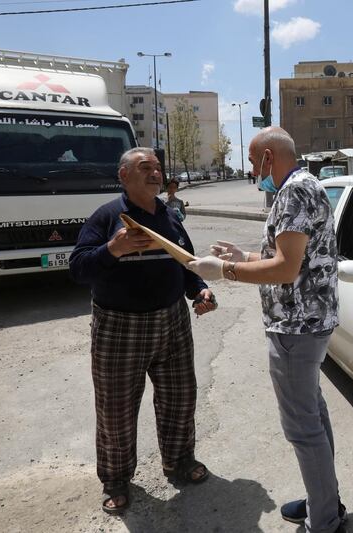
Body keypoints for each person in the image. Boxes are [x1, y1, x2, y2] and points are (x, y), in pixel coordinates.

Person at [186, 127, 346, 533]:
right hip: (310, 323)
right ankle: (324, 502)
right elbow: (289, 256)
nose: (253, 172)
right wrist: (245, 256)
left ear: (270, 157)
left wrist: (225, 270)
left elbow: (286, 269)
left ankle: (324, 521)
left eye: (255, 162)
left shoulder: (293, 191)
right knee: (314, 416)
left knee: (303, 428)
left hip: (296, 328)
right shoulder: (306, 185)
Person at [69, 147, 217, 515]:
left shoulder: (169, 216)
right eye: (144, 167)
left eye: (157, 168)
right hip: (120, 328)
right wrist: (112, 249)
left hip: (173, 322)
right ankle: (117, 478)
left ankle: (179, 460)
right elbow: (78, 267)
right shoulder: (106, 218)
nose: (155, 173)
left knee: (181, 398)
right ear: (123, 176)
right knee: (116, 409)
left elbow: (187, 263)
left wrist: (199, 289)